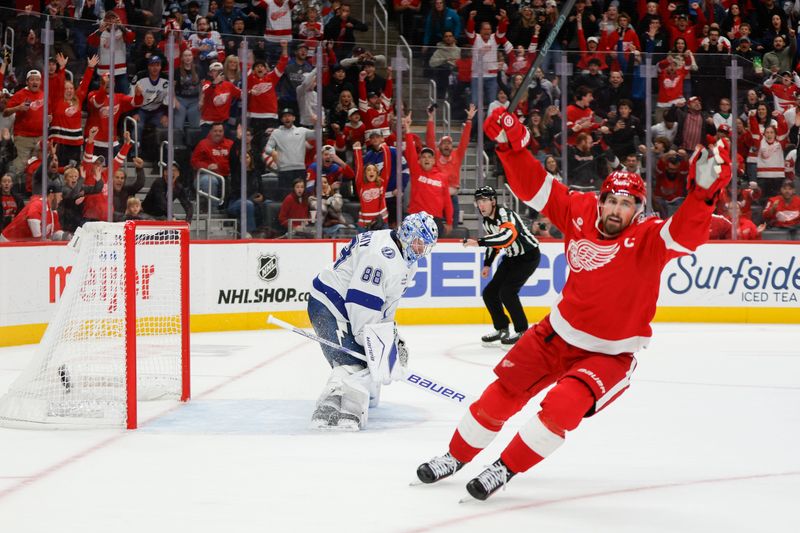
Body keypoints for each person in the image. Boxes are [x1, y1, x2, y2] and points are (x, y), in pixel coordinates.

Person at [415, 107, 732, 501]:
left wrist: (702, 196)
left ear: (638, 209)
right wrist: (511, 149)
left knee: (562, 407)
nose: (617, 209)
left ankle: (505, 467)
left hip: (609, 355)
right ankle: (455, 456)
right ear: (600, 201)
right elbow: (534, 187)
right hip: (556, 333)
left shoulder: (650, 238)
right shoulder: (579, 212)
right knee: (502, 391)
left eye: (627, 203)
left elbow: (686, 234)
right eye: (611, 201)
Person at [307, 211, 438, 429]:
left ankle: (350, 400)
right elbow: (362, 308)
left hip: (347, 303)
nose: (421, 250)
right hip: (328, 304)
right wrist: (378, 349)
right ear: (406, 234)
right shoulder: (380, 258)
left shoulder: (406, 259)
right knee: (355, 360)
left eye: (425, 245)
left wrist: (390, 338)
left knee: (367, 356)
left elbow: (387, 305)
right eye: (419, 242)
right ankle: (330, 407)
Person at [463, 185, 540, 349]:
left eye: (484, 201)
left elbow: (506, 237)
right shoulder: (487, 221)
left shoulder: (506, 215)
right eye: (478, 201)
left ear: (493, 201)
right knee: (490, 293)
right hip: (512, 258)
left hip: (528, 256)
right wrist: (487, 264)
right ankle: (502, 329)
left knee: (507, 292)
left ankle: (522, 332)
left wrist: (479, 242)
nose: (481, 205)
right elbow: (495, 244)